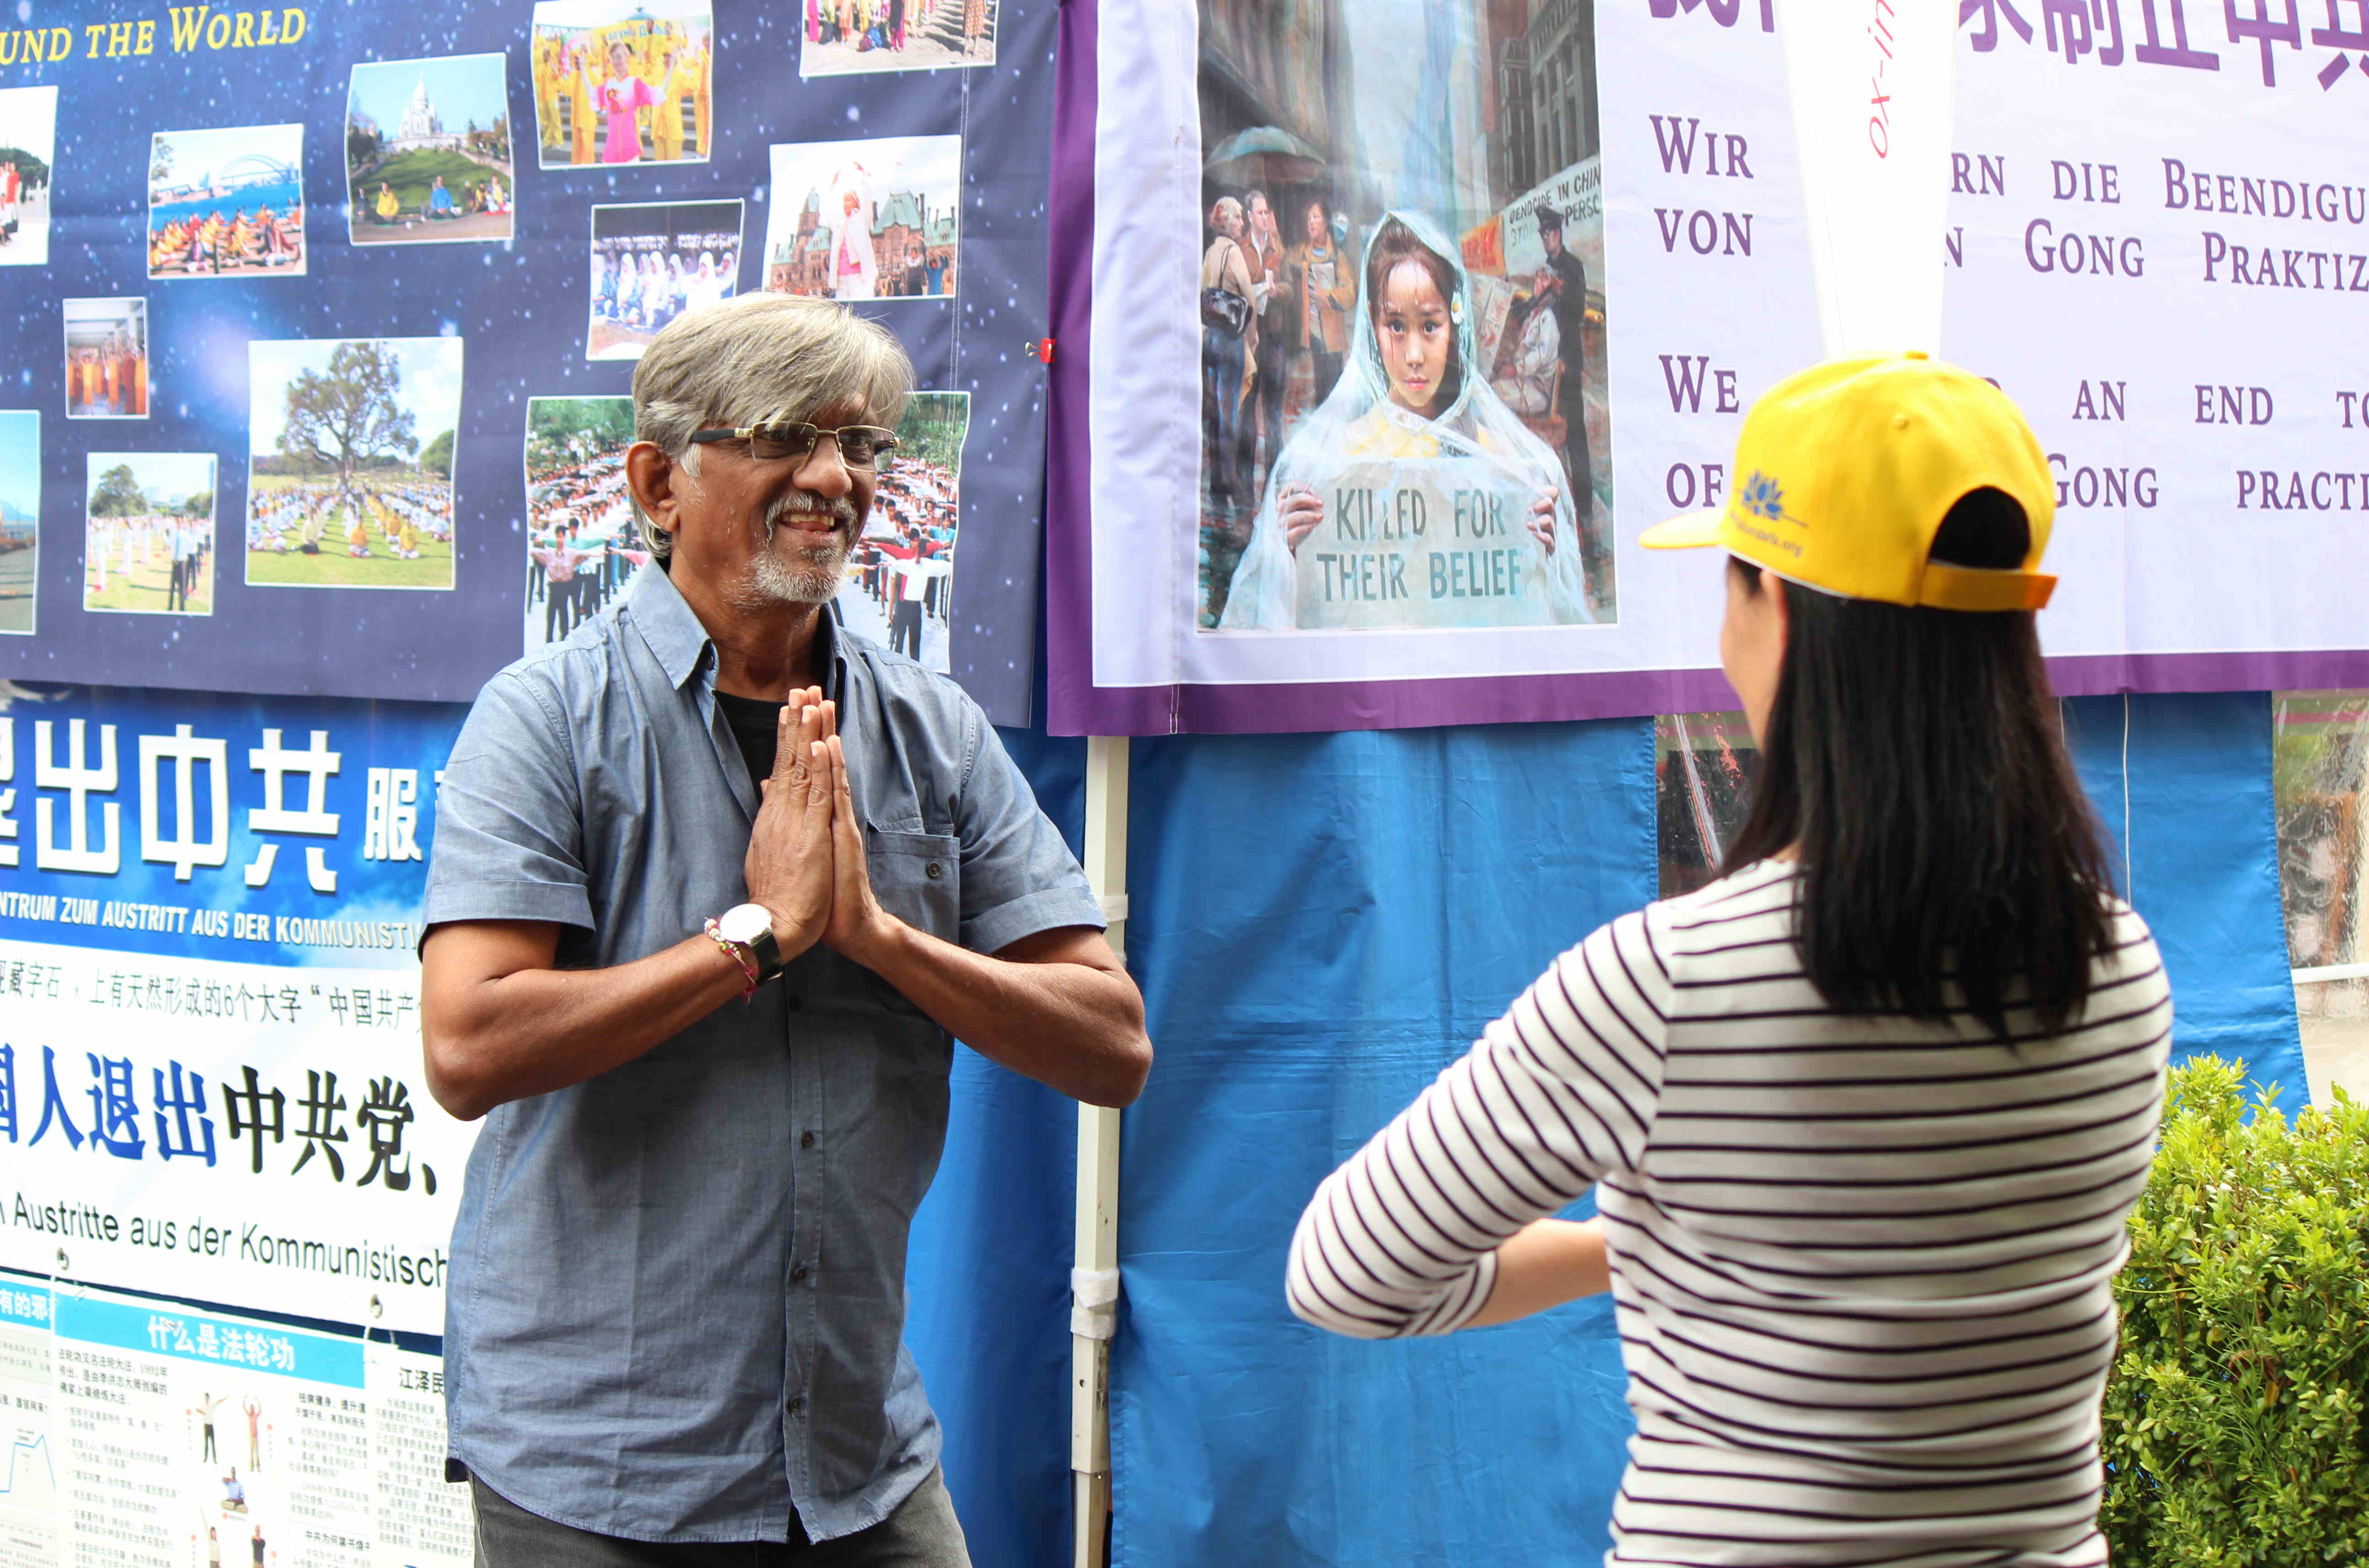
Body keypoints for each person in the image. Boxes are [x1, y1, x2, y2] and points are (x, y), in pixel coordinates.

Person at [1288, 352, 2172, 1567]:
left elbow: (1342, 1271)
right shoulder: (2117, 968)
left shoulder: (1670, 984)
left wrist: (1643, 1246)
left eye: (1732, 587)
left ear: (1783, 616)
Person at [420, 292, 1152, 1566]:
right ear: (659, 483)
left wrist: (875, 937)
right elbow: (468, 1046)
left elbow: (1112, 1045)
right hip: (599, 1469)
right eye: (781, 437)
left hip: (858, 1458)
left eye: (859, 445)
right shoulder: (545, 720)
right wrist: (753, 940)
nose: (833, 477)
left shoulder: (931, 730)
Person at [1217, 212, 1588, 628]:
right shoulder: (1331, 463)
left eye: (1430, 326)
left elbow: (1535, 623)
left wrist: (1541, 555)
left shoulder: (1504, 463)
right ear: (1373, 323)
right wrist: (1287, 556)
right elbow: (1287, 624)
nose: (1414, 355)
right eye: (1395, 326)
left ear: (1455, 324)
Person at [1534, 204, 1593, 519]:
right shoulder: (1545, 270)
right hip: (1546, 365)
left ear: (1558, 234)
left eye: (1549, 233)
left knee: (1575, 436)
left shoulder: (1572, 267)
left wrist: (1558, 290)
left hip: (1566, 362)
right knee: (1551, 436)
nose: (1546, 239)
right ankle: (1561, 505)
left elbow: (1578, 310)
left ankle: (1583, 509)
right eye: (1542, 235)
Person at [1199, 195, 1253, 510]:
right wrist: (1252, 337)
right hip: (1231, 341)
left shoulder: (1210, 253)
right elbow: (1250, 296)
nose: (1242, 223)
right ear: (1228, 221)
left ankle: (1217, 483)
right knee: (1230, 413)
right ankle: (1230, 480)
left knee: (1214, 414)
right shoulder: (1234, 253)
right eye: (1239, 218)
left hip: (1210, 340)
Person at [1237, 191, 1289, 495]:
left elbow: (1291, 290)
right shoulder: (1240, 249)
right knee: (1247, 410)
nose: (1265, 218)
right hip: (1250, 338)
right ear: (1249, 217)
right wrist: (1254, 290)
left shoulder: (1277, 249)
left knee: (1274, 412)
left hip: (1275, 337)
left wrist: (1277, 290)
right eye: (1260, 213)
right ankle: (1244, 484)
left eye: (1267, 212)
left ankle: (1274, 479)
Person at [1291, 197, 1352, 406]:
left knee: (1335, 391)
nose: (1311, 222)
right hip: (1315, 333)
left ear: (1326, 222)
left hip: (1333, 336)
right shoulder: (1304, 254)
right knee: (1320, 390)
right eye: (1309, 218)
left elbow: (1350, 293)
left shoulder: (1337, 256)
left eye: (1316, 217)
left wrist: (1328, 297)